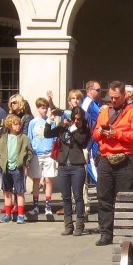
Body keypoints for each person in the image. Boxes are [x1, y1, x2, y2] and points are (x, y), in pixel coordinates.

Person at [92, 81, 133, 246]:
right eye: (111, 97)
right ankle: (106, 233)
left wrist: (116, 133)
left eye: (116, 97)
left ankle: (124, 233)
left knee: (124, 198)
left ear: (124, 96)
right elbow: (95, 134)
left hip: (124, 160)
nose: (113, 100)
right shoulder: (105, 111)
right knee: (104, 197)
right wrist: (100, 133)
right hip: (106, 158)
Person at [44, 99, 90, 235]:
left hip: (77, 166)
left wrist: (74, 128)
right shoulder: (63, 128)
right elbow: (47, 134)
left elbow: (82, 141)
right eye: (74, 119)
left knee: (78, 196)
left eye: (78, 119)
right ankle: (68, 225)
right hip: (64, 165)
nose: (76, 121)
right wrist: (50, 120)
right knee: (65, 197)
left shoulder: (82, 130)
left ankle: (80, 225)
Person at [0, 114, 32, 224]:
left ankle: (20, 215)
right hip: (6, 168)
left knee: (20, 192)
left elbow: (29, 152)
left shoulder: (23, 138)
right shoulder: (3, 138)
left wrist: (26, 163)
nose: (18, 127)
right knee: (7, 192)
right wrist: (0, 162)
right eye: (15, 124)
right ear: (9, 125)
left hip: (18, 168)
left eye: (19, 124)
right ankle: (7, 214)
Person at [28, 97, 57, 220]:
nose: (44, 110)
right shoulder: (33, 122)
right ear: (38, 108)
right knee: (36, 179)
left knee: (48, 180)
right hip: (36, 154)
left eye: (46, 107)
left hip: (48, 154)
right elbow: (30, 137)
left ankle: (48, 207)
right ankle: (35, 206)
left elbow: (55, 138)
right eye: (42, 107)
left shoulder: (52, 121)